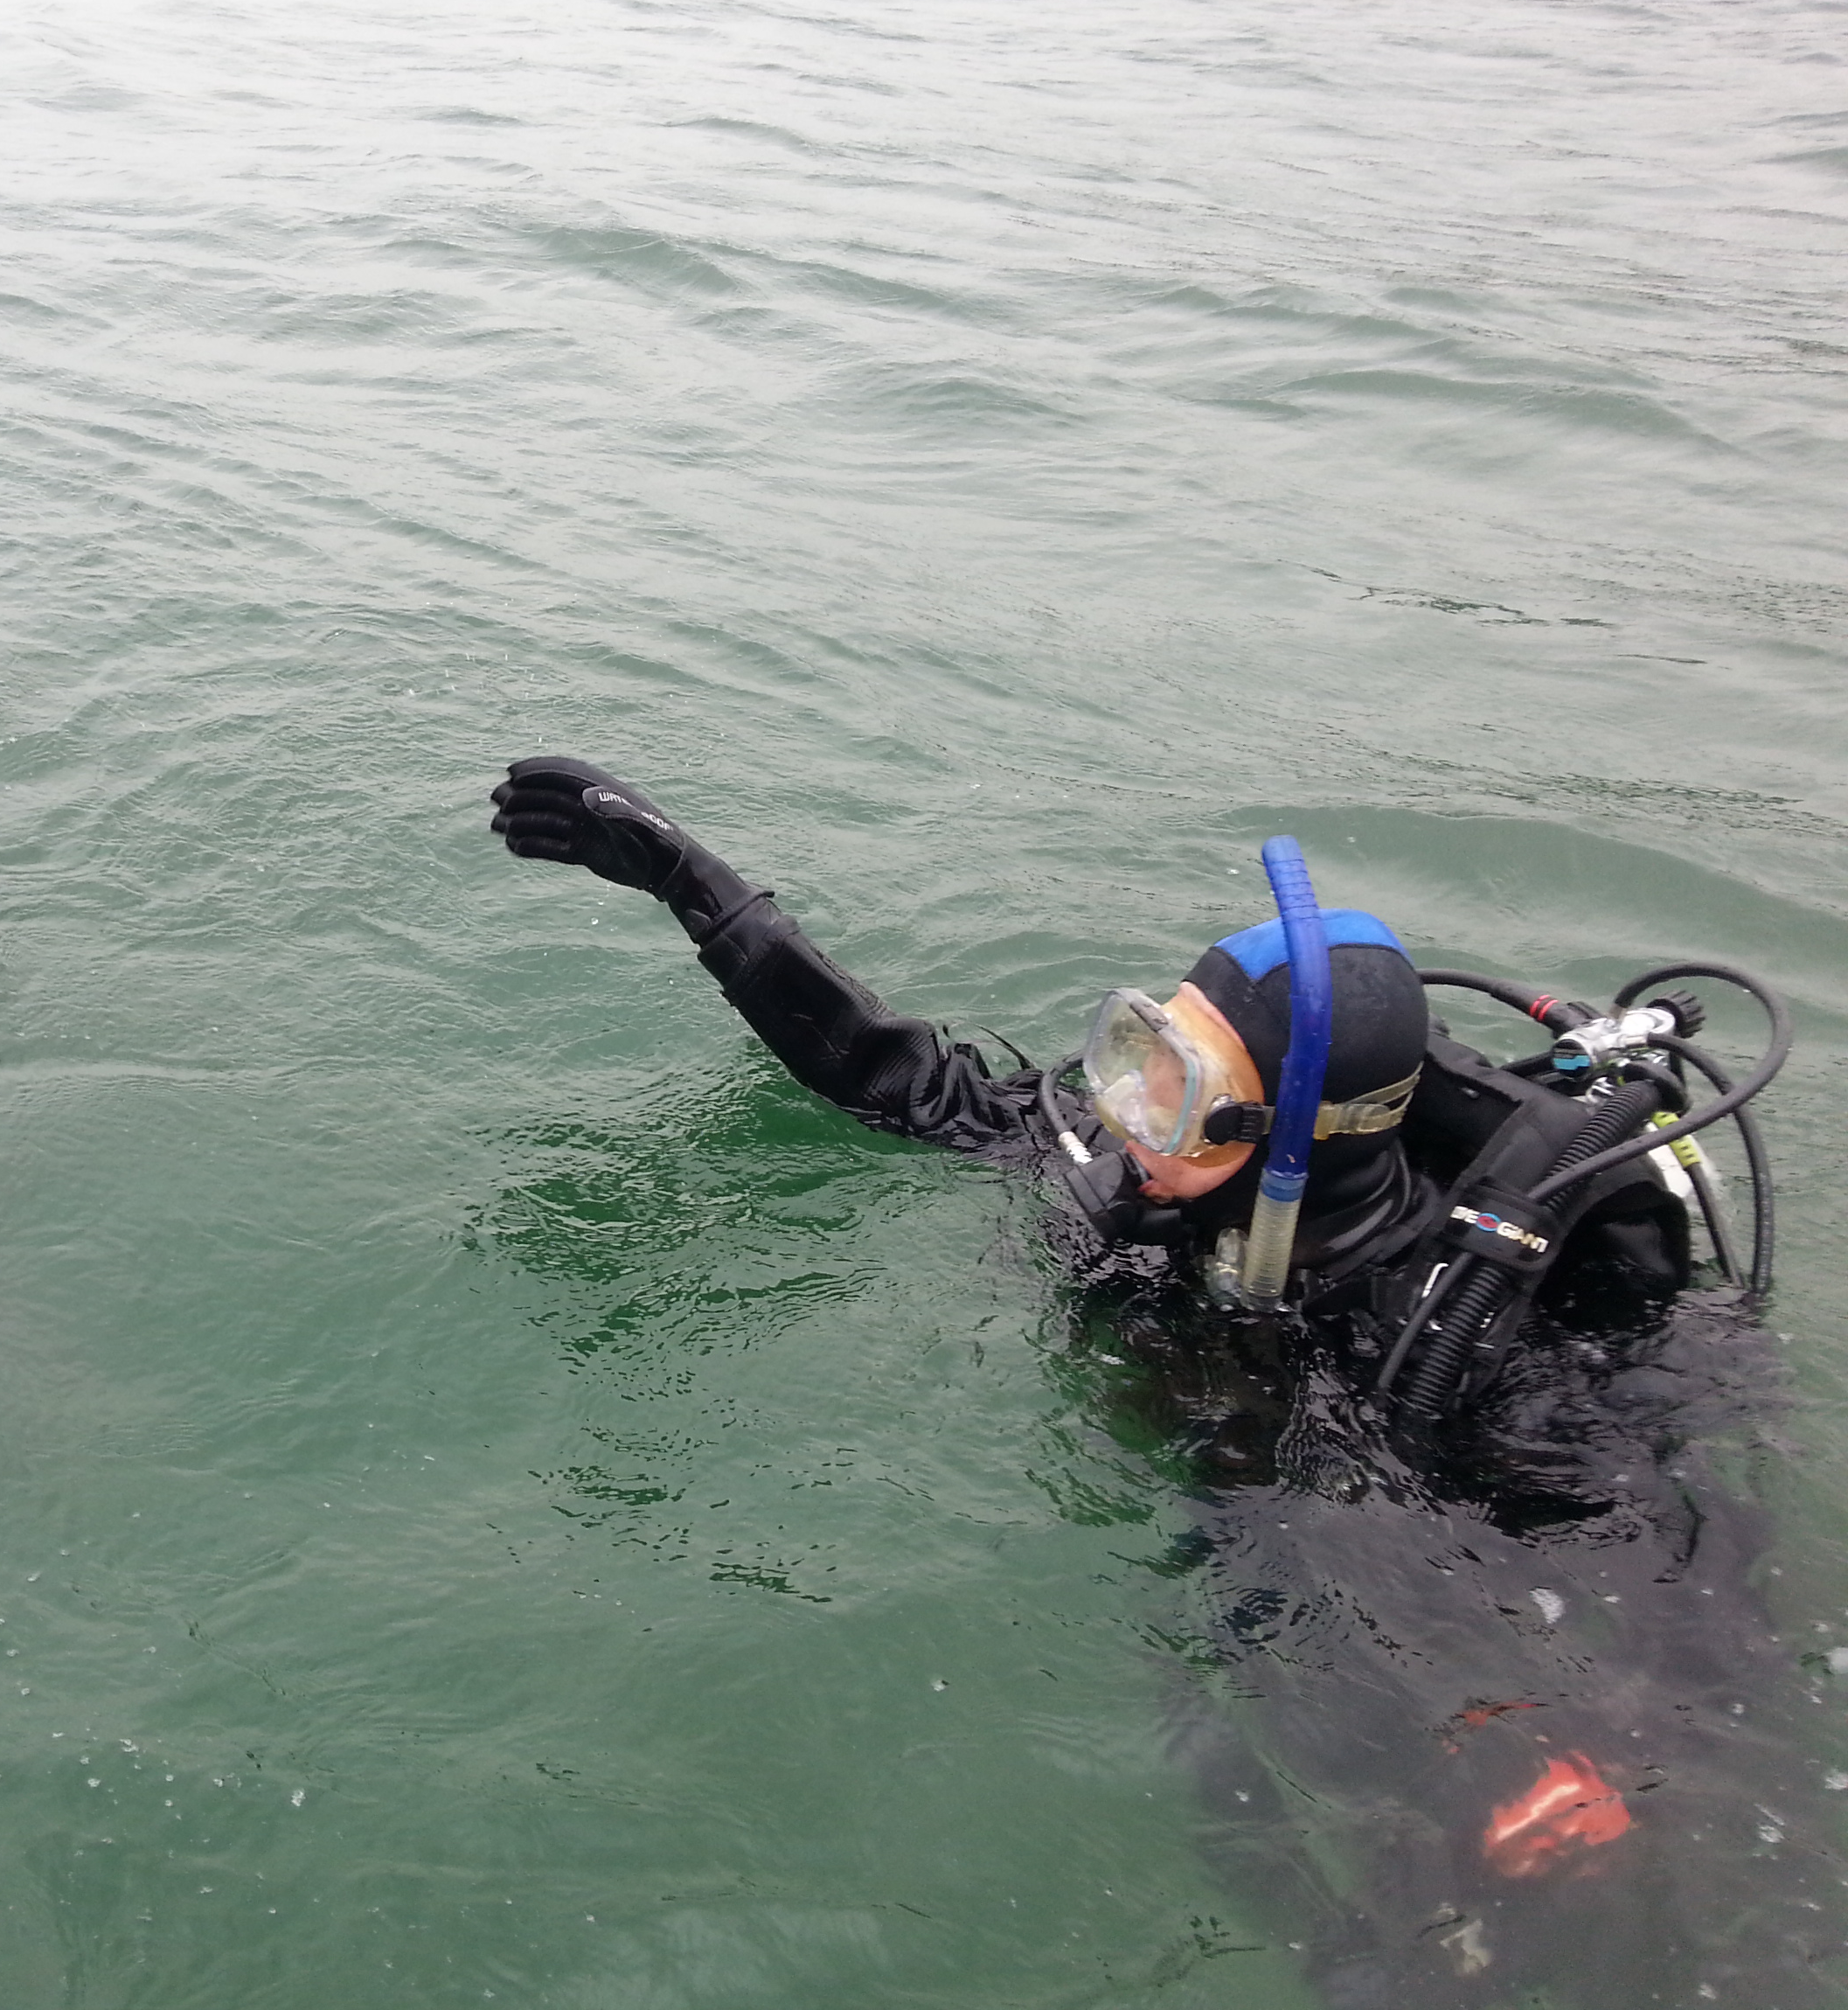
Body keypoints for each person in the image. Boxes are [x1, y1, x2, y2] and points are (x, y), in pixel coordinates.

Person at [489, 757, 1823, 2004]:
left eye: (1173, 1086)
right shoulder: (1145, 1174)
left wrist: (1628, 1738)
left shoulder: (1473, 1328)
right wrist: (699, 892)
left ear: (1293, 1141)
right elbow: (899, 1084)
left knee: (1454, 1852)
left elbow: (1677, 1541)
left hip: (1411, 1553)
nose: (1122, 1110)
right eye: (1137, 1049)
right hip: (1232, 1515)